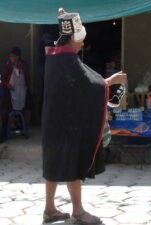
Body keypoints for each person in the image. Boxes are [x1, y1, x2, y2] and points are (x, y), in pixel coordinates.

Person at [42, 9, 127, 224]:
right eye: (80, 40)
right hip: (68, 124)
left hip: (53, 122)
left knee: (53, 163)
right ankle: (78, 211)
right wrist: (111, 81)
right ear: (72, 38)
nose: (82, 44)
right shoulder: (68, 60)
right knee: (72, 162)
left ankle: (50, 209)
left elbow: (85, 82)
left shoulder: (54, 57)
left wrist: (104, 81)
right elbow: (90, 86)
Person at [1, 46, 32, 137]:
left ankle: (24, 128)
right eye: (10, 56)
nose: (10, 58)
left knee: (27, 107)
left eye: (12, 56)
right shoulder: (7, 66)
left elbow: (27, 80)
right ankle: (4, 132)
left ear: (17, 57)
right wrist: (8, 85)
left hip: (22, 92)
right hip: (11, 93)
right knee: (5, 110)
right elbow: (3, 79)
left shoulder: (24, 65)